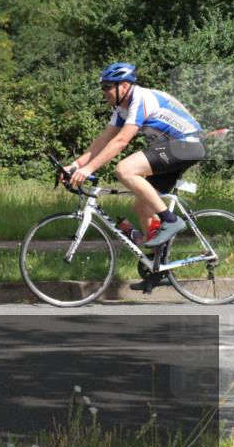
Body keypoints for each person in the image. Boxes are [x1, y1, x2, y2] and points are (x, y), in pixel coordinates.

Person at [65, 63, 205, 290]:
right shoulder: (122, 107)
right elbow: (104, 139)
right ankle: (160, 269)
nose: (104, 92)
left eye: (108, 87)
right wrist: (76, 164)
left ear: (125, 86)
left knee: (124, 169)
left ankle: (171, 221)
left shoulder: (139, 98)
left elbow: (120, 142)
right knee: (143, 206)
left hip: (187, 145)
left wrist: (89, 170)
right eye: (103, 87)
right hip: (173, 147)